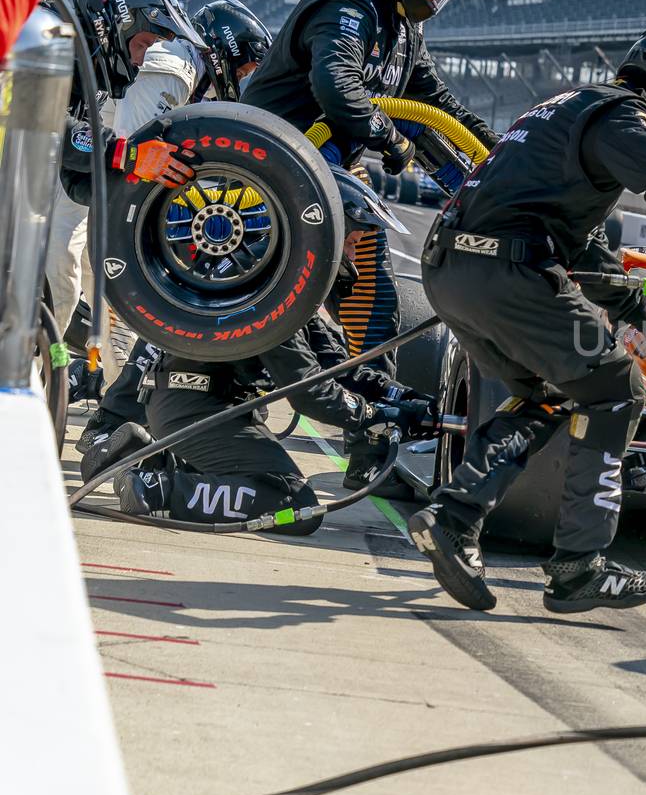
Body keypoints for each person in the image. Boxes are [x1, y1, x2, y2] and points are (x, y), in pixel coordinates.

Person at [410, 21, 646, 614]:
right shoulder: (623, 116)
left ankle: (453, 519)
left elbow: (582, 246)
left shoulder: (571, 110)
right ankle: (578, 566)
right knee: (617, 387)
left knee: (548, 393)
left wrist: (638, 310)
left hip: (453, 268)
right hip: (503, 272)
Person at [243, 0, 497, 490]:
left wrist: (500, 151)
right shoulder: (349, 4)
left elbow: (437, 102)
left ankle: (371, 439)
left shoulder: (404, 28)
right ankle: (121, 415)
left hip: (319, 181)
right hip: (267, 177)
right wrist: (391, 138)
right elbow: (338, 88)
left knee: (372, 299)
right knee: (307, 316)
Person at [101, 168, 435, 535]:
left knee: (275, 488)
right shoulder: (271, 294)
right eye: (354, 242)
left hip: (204, 404)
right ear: (330, 233)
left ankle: (150, 452)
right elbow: (309, 393)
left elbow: (339, 369)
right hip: (197, 408)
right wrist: (375, 415)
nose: (356, 254)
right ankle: (157, 488)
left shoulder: (283, 278)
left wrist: (406, 400)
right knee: (295, 505)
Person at [76, 0, 276, 460]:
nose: (246, 85)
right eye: (246, 72)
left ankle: (111, 421)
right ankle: (108, 430)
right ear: (227, 50)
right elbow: (134, 161)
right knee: (130, 318)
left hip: (78, 182)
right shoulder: (175, 65)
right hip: (72, 185)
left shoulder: (185, 70)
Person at [45, 0, 209, 397]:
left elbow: (74, 179)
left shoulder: (81, 49)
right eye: (141, 45)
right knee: (55, 264)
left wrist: (120, 173)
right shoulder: (49, 34)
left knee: (51, 277)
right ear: (114, 21)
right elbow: (42, 127)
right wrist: (126, 155)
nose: (139, 62)